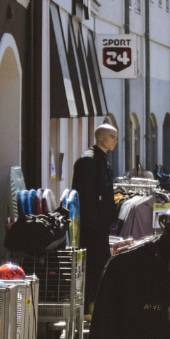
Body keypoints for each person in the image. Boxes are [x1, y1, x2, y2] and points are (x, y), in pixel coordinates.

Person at [71, 124, 119, 312]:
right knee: (93, 268)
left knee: (99, 267)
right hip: (92, 229)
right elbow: (86, 197)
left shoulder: (101, 161)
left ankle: (93, 308)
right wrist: (94, 225)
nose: (115, 140)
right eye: (112, 136)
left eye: (116, 137)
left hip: (100, 227)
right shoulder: (88, 161)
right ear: (100, 138)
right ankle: (89, 309)